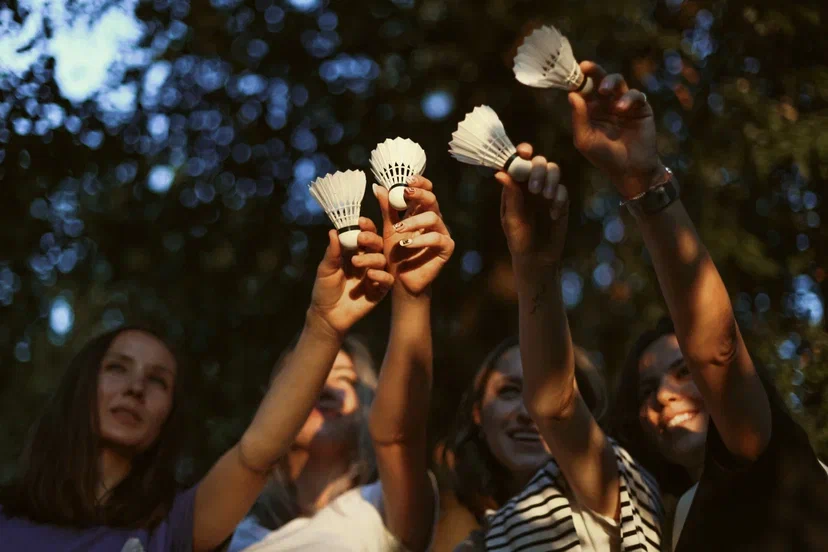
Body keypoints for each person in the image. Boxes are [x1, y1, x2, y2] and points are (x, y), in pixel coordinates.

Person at [0, 218, 395, 552]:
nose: (135, 388)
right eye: (118, 368)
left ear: (169, 415)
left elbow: (256, 454)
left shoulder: (175, 527)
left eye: (158, 381)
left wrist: (323, 325)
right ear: (81, 385)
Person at [572, 61, 828, 550]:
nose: (663, 397)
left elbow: (718, 350)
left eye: (684, 372)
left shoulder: (774, 460)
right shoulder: (669, 522)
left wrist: (644, 181)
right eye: (646, 390)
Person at [447, 149, 663, 551]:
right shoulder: (479, 542)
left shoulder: (612, 480)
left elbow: (554, 406)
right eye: (509, 391)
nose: (529, 410)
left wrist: (535, 265)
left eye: (535, 390)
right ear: (477, 414)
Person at [228, 173, 454, 551]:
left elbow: (399, 435)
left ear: (366, 406)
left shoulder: (381, 506)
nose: (328, 386)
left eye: (347, 379)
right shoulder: (242, 532)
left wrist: (412, 295)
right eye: (313, 377)